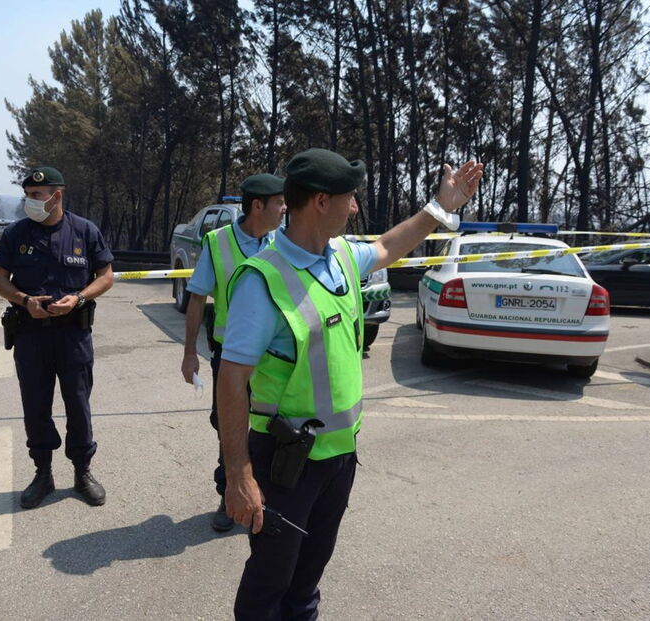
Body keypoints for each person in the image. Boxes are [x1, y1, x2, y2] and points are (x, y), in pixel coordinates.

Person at [217, 148, 483, 619]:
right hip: (286, 462)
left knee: (307, 579)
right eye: (349, 197)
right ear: (321, 201)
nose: (355, 206)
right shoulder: (262, 280)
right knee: (270, 581)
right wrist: (238, 475)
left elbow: (387, 247)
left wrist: (441, 207)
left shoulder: (339, 255)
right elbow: (231, 380)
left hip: (338, 458)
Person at [0, 166, 114, 509]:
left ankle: (82, 472)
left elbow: (106, 276)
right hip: (31, 336)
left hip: (73, 336)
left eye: (36, 196)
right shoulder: (16, 234)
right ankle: (42, 474)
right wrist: (24, 301)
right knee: (35, 406)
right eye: (27, 195)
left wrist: (79, 298)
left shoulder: (84, 231)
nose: (30, 201)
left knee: (79, 405)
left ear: (56, 196)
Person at [180, 173, 286, 531]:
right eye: (279, 203)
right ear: (258, 205)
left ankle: (266, 495)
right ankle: (230, 496)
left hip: (275, 355)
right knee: (229, 424)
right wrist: (189, 353)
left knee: (274, 424)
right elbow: (197, 298)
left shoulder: (282, 241)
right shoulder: (218, 242)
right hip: (232, 355)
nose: (284, 209)